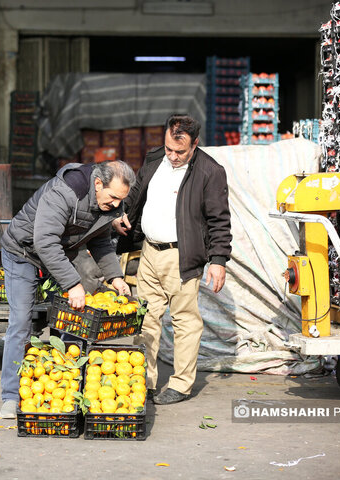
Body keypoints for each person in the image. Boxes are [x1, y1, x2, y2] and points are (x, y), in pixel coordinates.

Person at [0, 160, 135, 419]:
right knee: (20, 323)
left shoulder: (108, 204)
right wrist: (73, 284)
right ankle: (11, 396)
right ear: (98, 184)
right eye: (114, 197)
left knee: (73, 319)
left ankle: (66, 389)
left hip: (59, 255)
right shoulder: (65, 191)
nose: (117, 205)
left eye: (121, 200)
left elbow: (101, 241)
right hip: (24, 251)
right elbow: (45, 241)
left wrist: (115, 277)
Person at [113, 114, 231, 405]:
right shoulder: (154, 159)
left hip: (182, 255)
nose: (174, 156)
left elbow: (219, 220)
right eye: (169, 149)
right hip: (149, 252)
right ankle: (147, 381)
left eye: (180, 151)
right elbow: (136, 194)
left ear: (195, 145)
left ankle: (181, 384)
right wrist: (121, 215)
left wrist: (218, 259)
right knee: (147, 317)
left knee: (184, 320)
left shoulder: (209, 171)